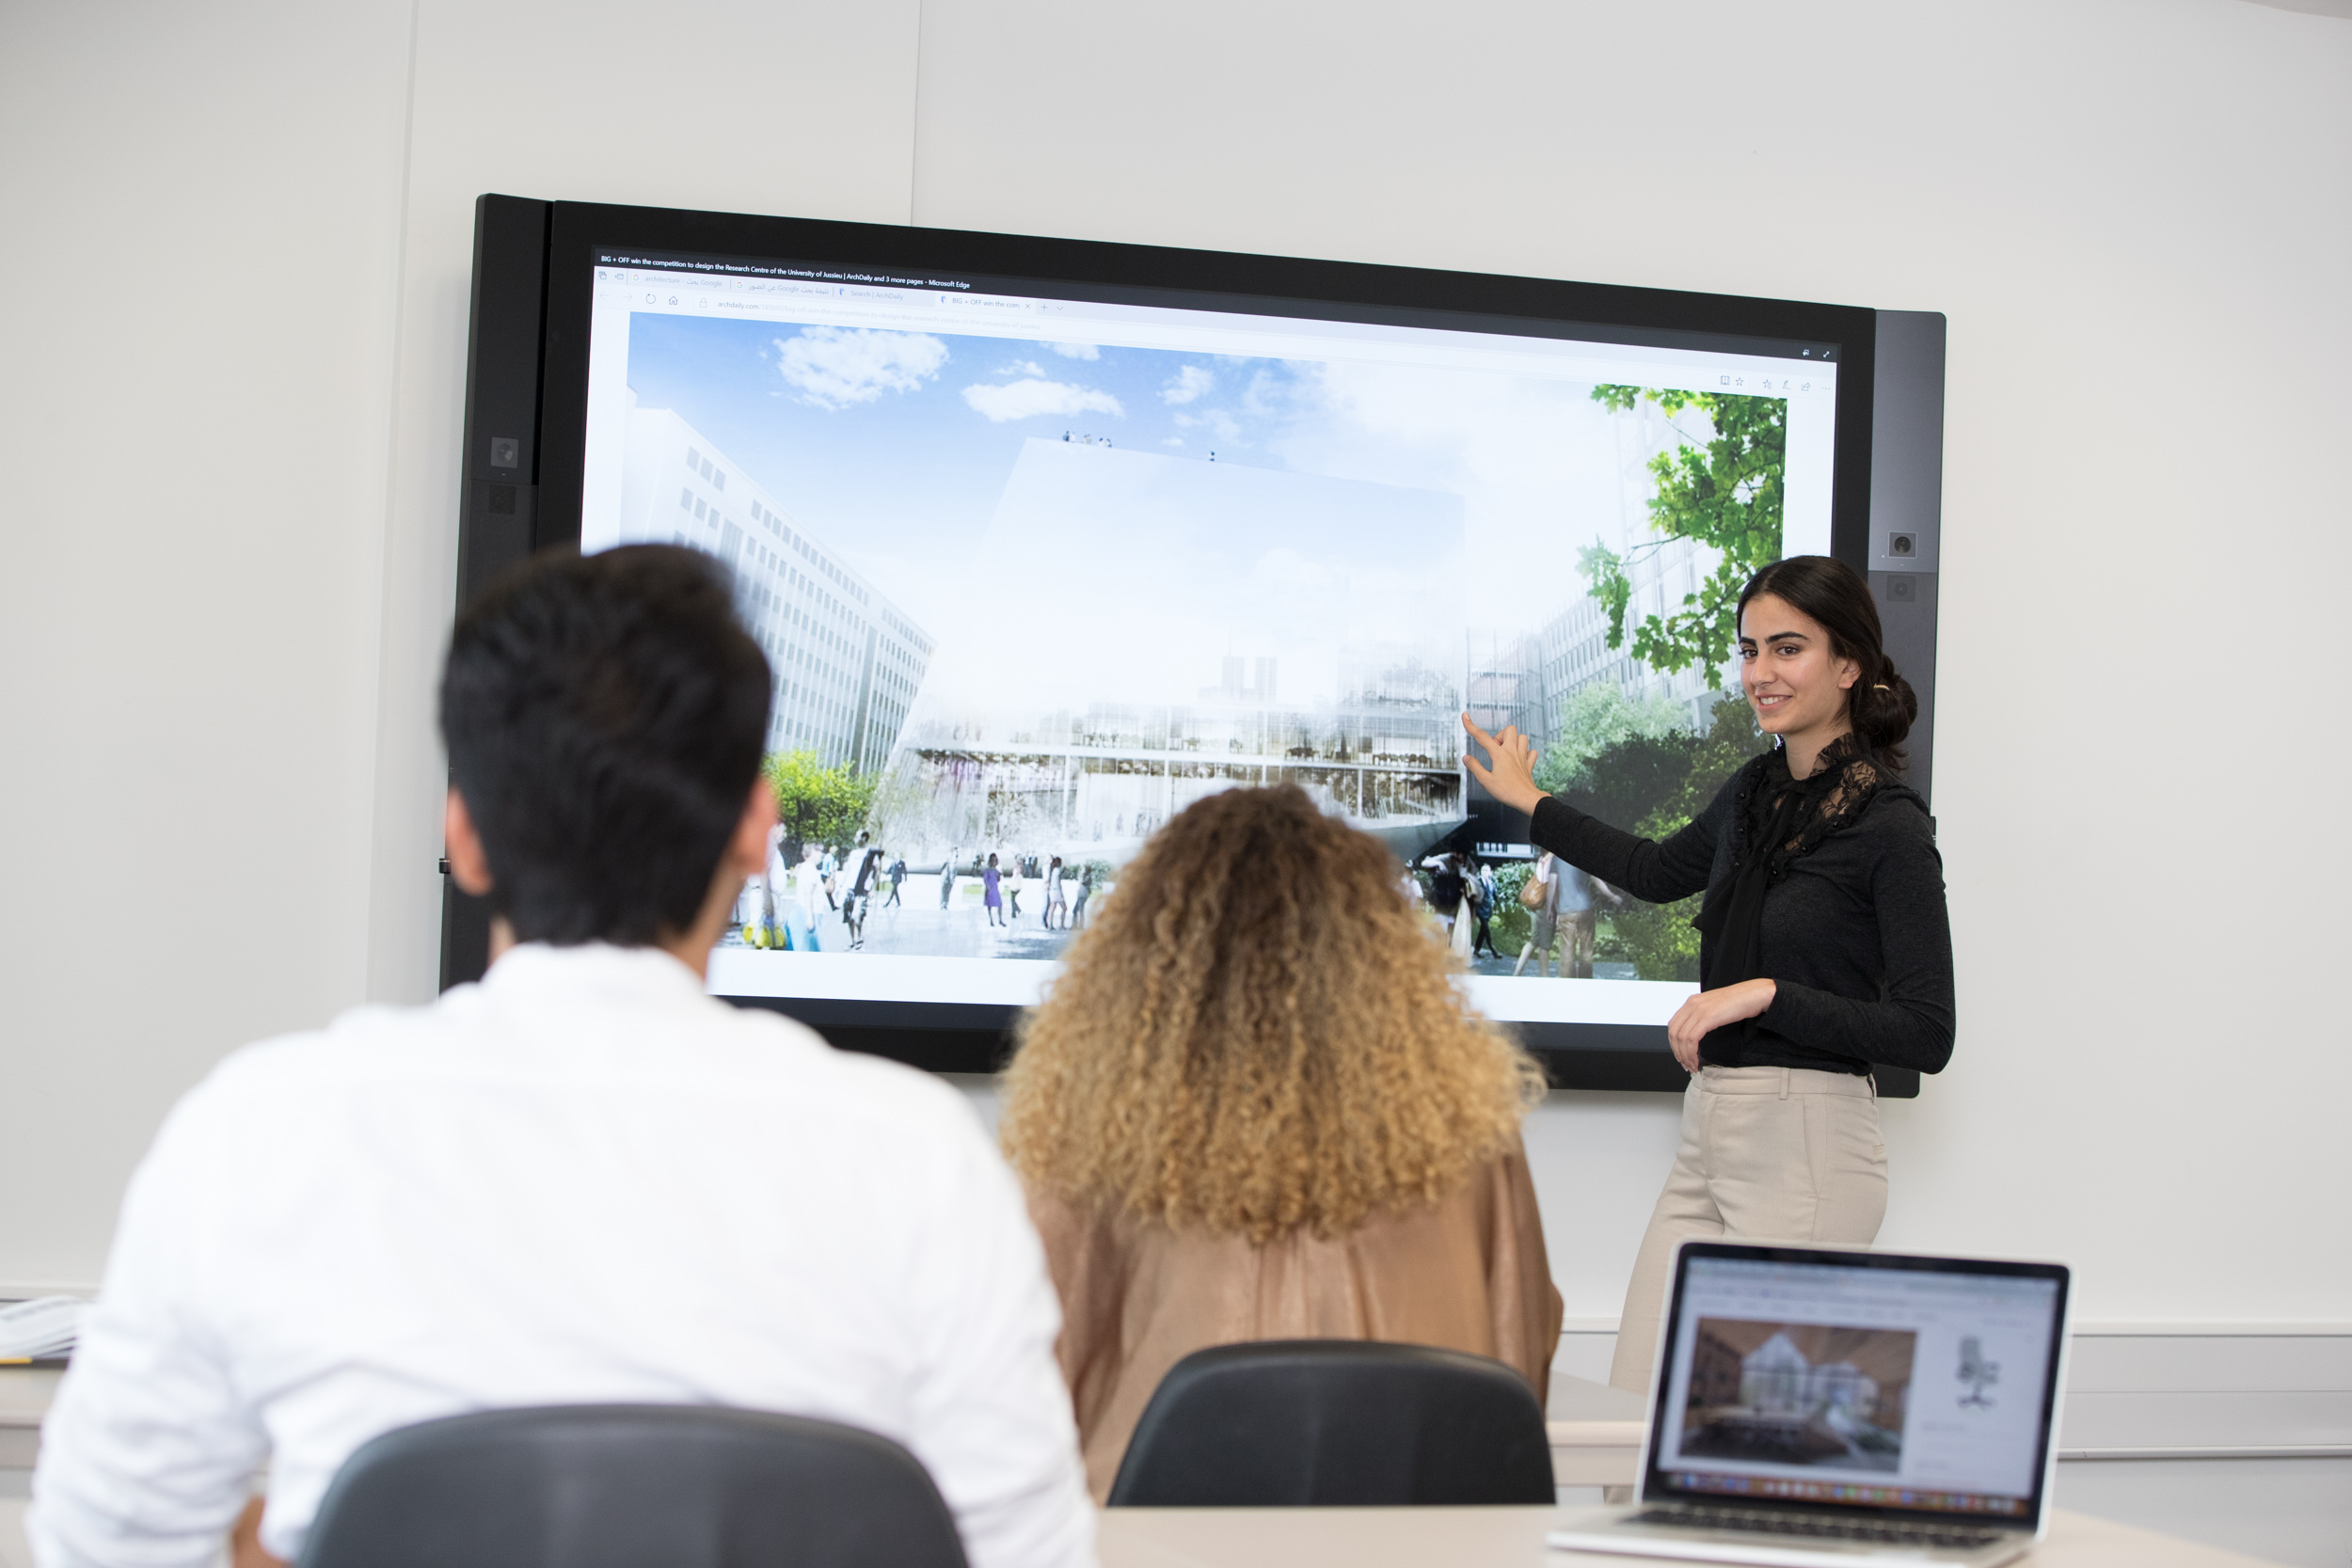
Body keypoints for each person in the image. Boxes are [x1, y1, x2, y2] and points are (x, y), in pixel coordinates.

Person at [28, 546, 1093, 1568]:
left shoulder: (255, 1131)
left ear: (466, 834)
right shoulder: (919, 1158)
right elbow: (1018, 1556)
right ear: (756, 832)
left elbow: (105, 1542)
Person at [1464, 554, 1952, 1398]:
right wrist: (1529, 799)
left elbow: (1926, 1030)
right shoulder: (1754, 790)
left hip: (1810, 1144)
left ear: (1849, 666)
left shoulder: (1890, 826)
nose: (1759, 672)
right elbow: (1652, 870)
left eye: (1786, 648)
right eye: (1749, 649)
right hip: (1712, 1126)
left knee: (1752, 1444)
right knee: (1635, 1417)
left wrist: (1765, 993)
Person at [997, 784, 1562, 1500]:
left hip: (1153, 1544)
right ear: (1375, 938)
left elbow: (1026, 1391)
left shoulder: (1090, 1127)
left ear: (1143, 946)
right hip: (1424, 1541)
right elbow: (1521, 1362)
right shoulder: (1476, 1133)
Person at [1043, 855, 1067, 929]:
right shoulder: (1057, 870)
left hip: (1052, 891)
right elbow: (1059, 882)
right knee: (1064, 908)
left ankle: (1050, 924)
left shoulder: (1052, 870)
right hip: (1057, 891)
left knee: (1052, 908)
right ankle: (1062, 924)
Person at [982, 851, 1006, 927]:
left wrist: (1000, 875)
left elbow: (998, 879)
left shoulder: (996, 871)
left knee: (999, 904)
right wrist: (988, 886)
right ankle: (991, 920)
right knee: (990, 905)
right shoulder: (987, 870)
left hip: (995, 889)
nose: (994, 862)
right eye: (993, 861)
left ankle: (1000, 919)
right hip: (990, 889)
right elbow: (985, 879)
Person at [1070, 863, 1094, 929]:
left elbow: (1084, 882)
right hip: (1081, 894)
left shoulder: (1086, 876)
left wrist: (1081, 874)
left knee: (1080, 910)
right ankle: (1076, 925)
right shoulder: (1085, 876)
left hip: (1082, 895)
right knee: (1076, 910)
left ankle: (1080, 925)